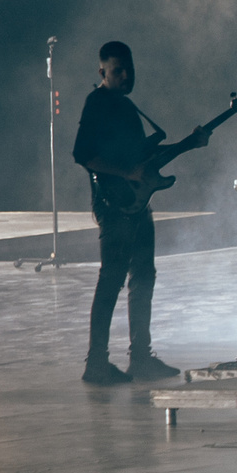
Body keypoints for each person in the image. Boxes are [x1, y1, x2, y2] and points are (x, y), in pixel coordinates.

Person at [70, 41, 183, 384]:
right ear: (101, 71)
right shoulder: (98, 104)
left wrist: (190, 142)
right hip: (114, 204)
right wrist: (126, 175)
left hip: (137, 202)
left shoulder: (127, 107)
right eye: (117, 70)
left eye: (128, 69)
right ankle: (96, 363)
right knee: (112, 280)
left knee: (143, 277)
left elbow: (140, 155)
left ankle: (141, 358)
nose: (125, 76)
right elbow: (84, 155)